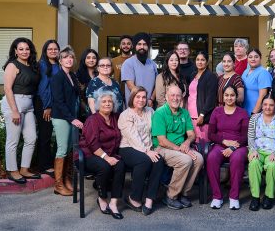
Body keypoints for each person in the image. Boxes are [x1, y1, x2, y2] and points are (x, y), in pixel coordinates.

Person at [151, 85, 204, 210]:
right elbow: (162, 140)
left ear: (182, 97)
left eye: (178, 95)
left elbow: (191, 134)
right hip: (162, 148)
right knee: (185, 160)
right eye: (172, 95)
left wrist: (186, 143)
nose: (175, 98)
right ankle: (171, 195)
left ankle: (183, 193)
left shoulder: (184, 113)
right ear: (166, 97)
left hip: (180, 147)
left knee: (199, 159)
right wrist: (180, 149)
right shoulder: (160, 113)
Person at [77, 88, 125, 219]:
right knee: (104, 166)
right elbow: (93, 145)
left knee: (120, 165)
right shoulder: (93, 120)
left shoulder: (115, 117)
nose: (107, 104)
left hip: (108, 153)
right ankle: (102, 198)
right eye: (104, 101)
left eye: (110, 101)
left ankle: (114, 203)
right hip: (88, 155)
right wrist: (107, 158)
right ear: (98, 104)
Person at [118, 86, 164, 216]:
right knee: (144, 161)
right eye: (138, 97)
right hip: (127, 148)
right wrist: (147, 151)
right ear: (132, 98)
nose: (141, 100)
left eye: (144, 97)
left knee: (159, 161)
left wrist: (153, 148)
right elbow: (133, 137)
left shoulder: (150, 111)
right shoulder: (125, 115)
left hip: (147, 148)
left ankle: (149, 199)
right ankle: (133, 198)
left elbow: (156, 129)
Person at [1, 37, 40, 184]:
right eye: (21, 49)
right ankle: (13, 171)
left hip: (28, 104)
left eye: (27, 49)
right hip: (14, 103)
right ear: (15, 51)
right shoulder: (12, 65)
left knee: (31, 138)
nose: (24, 51)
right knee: (13, 140)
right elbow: (7, 89)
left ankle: (24, 169)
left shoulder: (31, 65)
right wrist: (15, 111)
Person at [207, 85, 249, 210]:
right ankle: (217, 196)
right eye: (226, 95)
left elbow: (245, 136)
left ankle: (234, 197)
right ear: (223, 96)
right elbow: (210, 134)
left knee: (236, 159)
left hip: (239, 145)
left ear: (236, 97)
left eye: (232, 95)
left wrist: (233, 148)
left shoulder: (242, 113)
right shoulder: (217, 111)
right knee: (211, 158)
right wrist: (224, 141)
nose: (229, 98)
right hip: (221, 143)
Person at [51, 46, 84, 196]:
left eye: (71, 57)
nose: (69, 59)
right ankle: (58, 185)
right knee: (62, 149)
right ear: (60, 60)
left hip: (71, 117)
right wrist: (72, 119)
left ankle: (67, 180)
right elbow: (58, 101)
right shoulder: (57, 77)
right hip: (62, 117)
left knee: (70, 149)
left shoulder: (72, 75)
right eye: (65, 57)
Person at [248, 95, 275, 211]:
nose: (267, 107)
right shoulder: (254, 118)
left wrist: (274, 153)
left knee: (272, 166)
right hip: (257, 150)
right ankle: (255, 197)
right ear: (262, 105)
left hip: (274, 151)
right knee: (254, 163)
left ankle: (269, 196)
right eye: (265, 104)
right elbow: (250, 137)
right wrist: (253, 150)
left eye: (271, 105)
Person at [34, 39, 60, 178]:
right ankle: (44, 166)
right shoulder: (43, 65)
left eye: (55, 49)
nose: (53, 51)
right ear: (45, 51)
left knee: (50, 134)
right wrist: (47, 106)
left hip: (55, 103)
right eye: (50, 49)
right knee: (45, 134)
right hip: (44, 103)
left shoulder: (58, 64)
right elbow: (44, 88)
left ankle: (49, 162)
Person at [187, 51, 218, 142]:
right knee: (192, 142)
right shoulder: (193, 75)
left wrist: (202, 114)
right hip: (190, 114)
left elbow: (211, 98)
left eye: (202, 60)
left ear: (207, 62)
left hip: (201, 116)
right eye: (198, 60)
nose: (200, 62)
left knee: (202, 143)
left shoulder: (211, 76)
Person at [121, 32, 157, 107]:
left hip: (149, 107)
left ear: (148, 46)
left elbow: (157, 85)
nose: (142, 47)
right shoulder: (128, 63)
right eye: (139, 44)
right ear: (135, 46)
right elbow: (131, 86)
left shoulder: (153, 64)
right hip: (133, 107)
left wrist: (151, 99)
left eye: (145, 44)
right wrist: (142, 100)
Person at [242, 48, 272, 116]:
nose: (253, 59)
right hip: (244, 111)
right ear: (247, 59)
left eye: (256, 57)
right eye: (250, 57)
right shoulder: (245, 71)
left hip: (256, 113)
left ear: (260, 58)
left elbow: (263, 95)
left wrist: (254, 113)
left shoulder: (263, 73)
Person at [76, 48, 99, 122]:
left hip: (100, 109)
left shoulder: (100, 74)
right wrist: (87, 109)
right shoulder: (78, 75)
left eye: (94, 58)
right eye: (88, 58)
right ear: (84, 59)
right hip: (83, 110)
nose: (91, 60)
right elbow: (78, 95)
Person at [111, 35, 133, 99]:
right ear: (120, 46)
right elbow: (107, 76)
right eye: (123, 44)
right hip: (117, 93)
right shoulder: (113, 60)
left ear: (132, 46)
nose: (126, 46)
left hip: (132, 93)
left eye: (128, 44)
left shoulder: (135, 60)